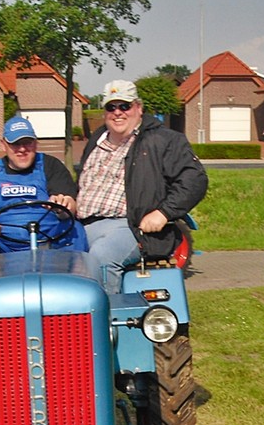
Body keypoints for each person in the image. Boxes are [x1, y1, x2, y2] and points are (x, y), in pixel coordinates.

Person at [76, 80, 208, 292]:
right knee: (54, 256)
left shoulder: (163, 140)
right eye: (111, 107)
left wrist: (163, 213)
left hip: (130, 226)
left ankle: (106, 311)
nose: (117, 112)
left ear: (138, 108)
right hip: (83, 224)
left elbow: (194, 180)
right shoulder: (97, 140)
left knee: (102, 256)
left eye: (125, 106)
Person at [0, 116, 87, 288]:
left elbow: (70, 204)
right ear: (4, 145)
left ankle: (77, 290)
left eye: (27, 143)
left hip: (49, 242)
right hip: (4, 245)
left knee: (76, 229)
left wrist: (62, 207)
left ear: (36, 143)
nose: (22, 149)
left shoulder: (51, 166)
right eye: (15, 144)